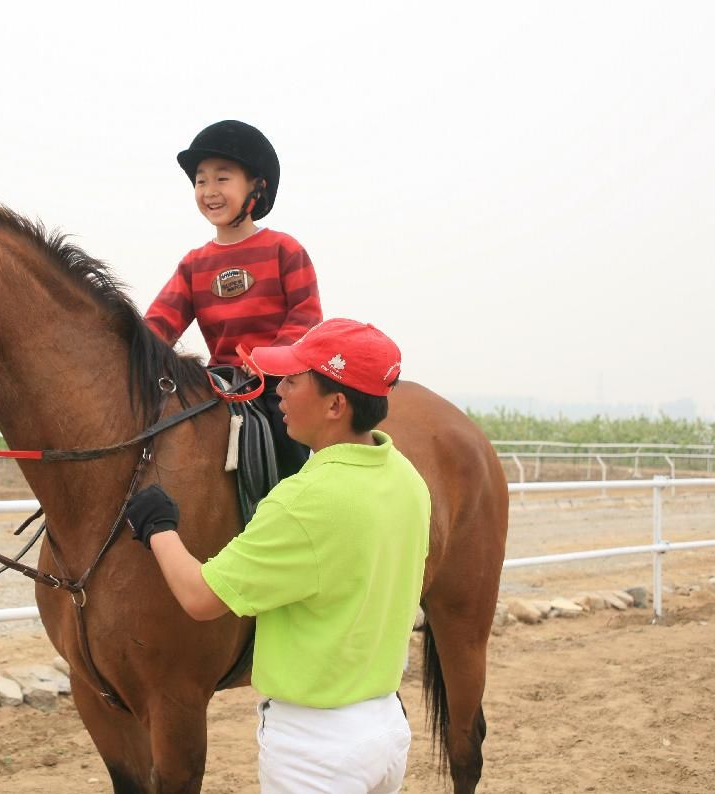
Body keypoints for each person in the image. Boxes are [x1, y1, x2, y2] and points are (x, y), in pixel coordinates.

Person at [126, 319, 431, 794]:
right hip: (385, 727)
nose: (278, 392)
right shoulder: (407, 478)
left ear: (336, 404)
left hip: (316, 748)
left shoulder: (304, 500)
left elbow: (200, 598)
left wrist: (158, 527)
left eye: (292, 380)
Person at [144, 119, 323, 478]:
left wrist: (265, 360)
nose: (209, 190)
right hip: (221, 382)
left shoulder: (284, 249)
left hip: (276, 381)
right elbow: (160, 324)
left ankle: (293, 503)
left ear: (257, 186)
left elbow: (307, 318)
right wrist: (133, 352)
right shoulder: (195, 264)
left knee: (285, 431)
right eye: (201, 180)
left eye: (222, 178)